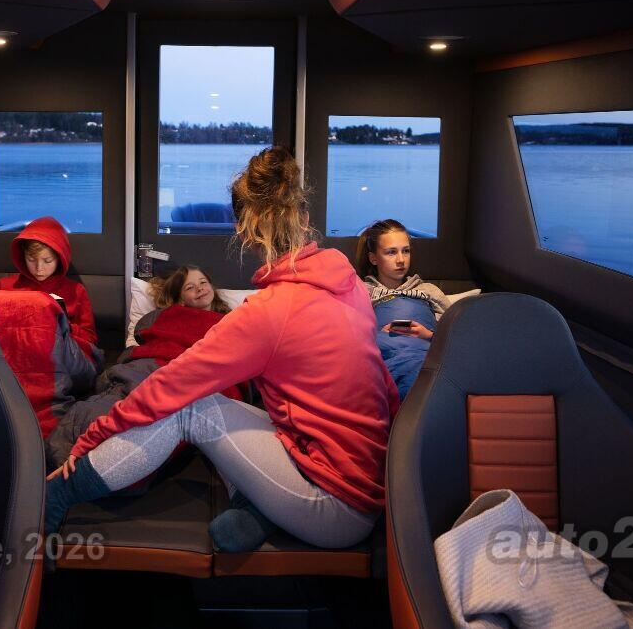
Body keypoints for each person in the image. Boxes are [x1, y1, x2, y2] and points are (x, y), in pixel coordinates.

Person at [45, 146, 399, 553]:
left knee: (191, 407)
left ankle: (57, 496)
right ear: (304, 218)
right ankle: (259, 508)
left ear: (245, 232)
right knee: (221, 403)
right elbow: (382, 381)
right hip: (366, 480)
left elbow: (170, 385)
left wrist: (92, 437)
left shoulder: (269, 312)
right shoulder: (349, 282)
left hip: (337, 506)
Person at [45, 264, 240, 471]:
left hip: (192, 377)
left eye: (203, 282)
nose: (199, 288)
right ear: (180, 299)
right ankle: (65, 463)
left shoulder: (233, 322)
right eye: (190, 287)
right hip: (151, 367)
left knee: (157, 426)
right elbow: (144, 329)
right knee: (107, 407)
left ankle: (88, 470)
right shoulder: (170, 314)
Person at [355, 218, 451, 399]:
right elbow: (347, 335)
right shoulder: (361, 291)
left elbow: (457, 336)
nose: (401, 260)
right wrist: (377, 336)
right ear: (373, 258)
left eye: (405, 251)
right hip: (381, 359)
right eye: (391, 252)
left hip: (424, 358)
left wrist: (429, 335)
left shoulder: (428, 290)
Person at [0, 216, 100, 361]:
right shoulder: (4, 287)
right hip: (14, 358)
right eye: (31, 260)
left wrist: (63, 326)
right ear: (23, 257)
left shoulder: (76, 291)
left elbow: (90, 339)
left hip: (59, 359)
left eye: (47, 261)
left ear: (59, 258)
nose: (39, 268)